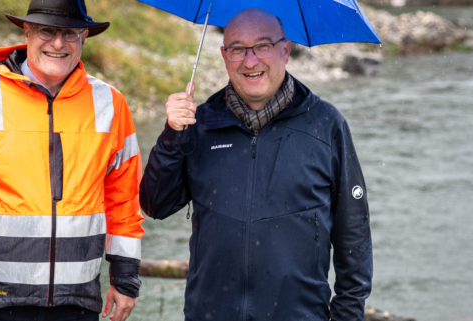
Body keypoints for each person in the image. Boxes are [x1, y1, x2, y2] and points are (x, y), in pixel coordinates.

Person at [0, 1, 144, 320]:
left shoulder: (111, 104)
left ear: (84, 38)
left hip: (76, 303)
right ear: (27, 32)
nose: (59, 43)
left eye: (70, 33)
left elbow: (125, 200)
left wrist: (125, 277)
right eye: (47, 31)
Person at [140, 8, 373, 321]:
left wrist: (347, 315)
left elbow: (354, 236)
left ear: (286, 50)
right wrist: (172, 134)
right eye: (237, 49)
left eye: (263, 46)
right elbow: (155, 204)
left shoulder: (326, 124)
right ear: (223, 55)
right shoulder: (200, 124)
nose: (250, 61)